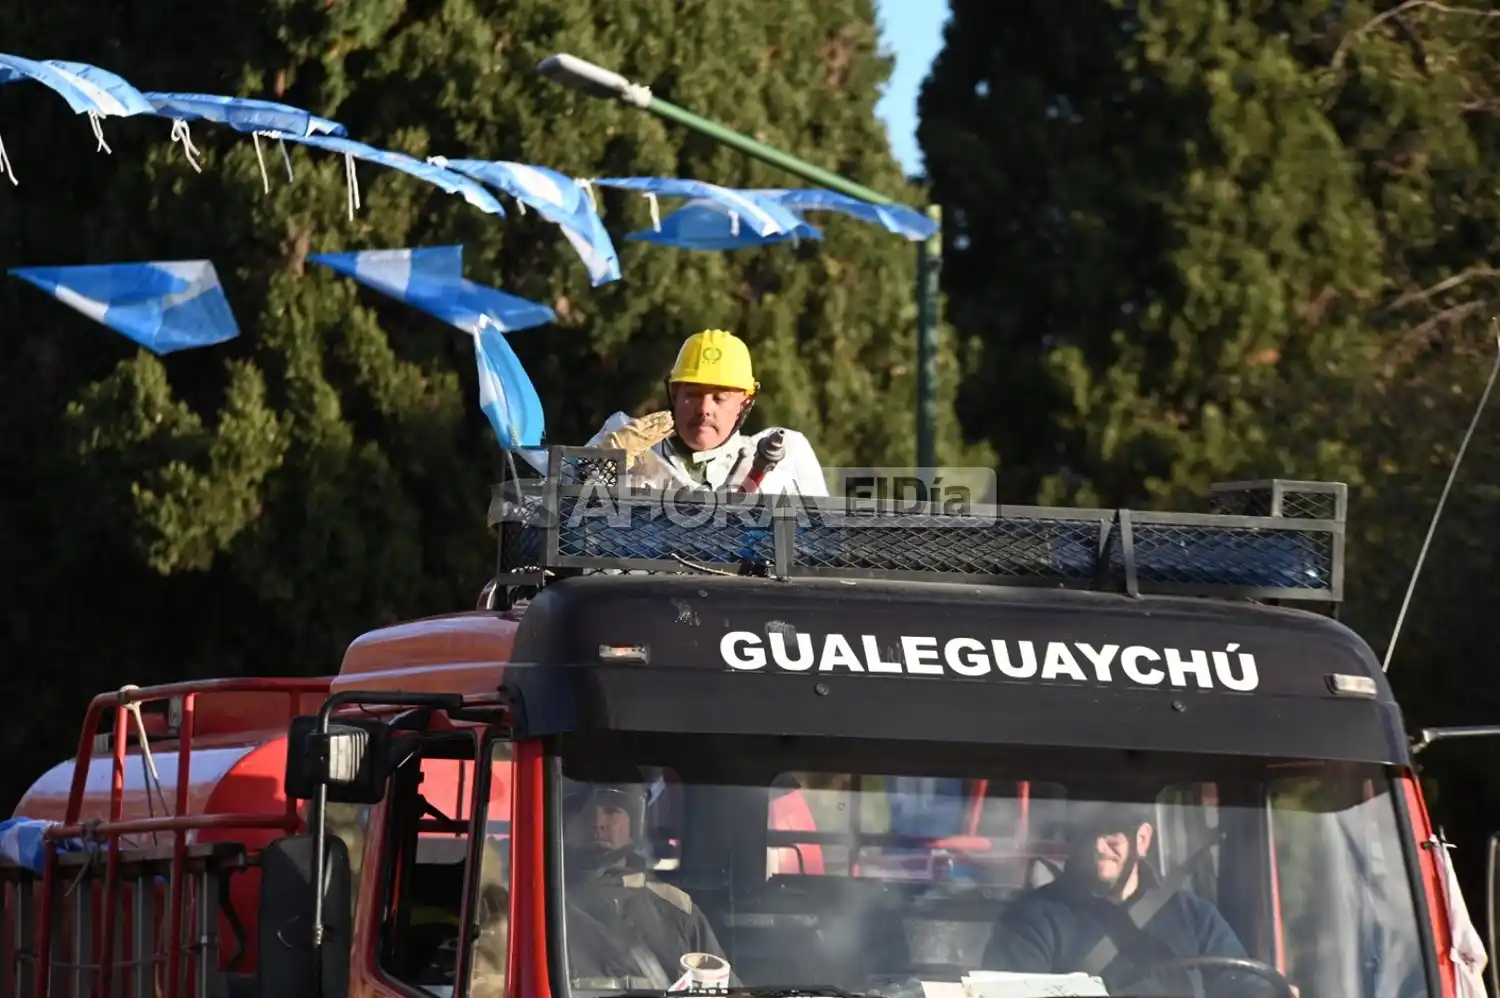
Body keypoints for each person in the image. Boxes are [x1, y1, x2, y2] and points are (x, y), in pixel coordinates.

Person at [983, 801, 1281, 997]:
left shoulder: (1194, 916)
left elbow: (1244, 987)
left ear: (1142, 839)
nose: (1099, 846)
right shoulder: (1032, 919)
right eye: (1086, 835)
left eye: (1112, 834)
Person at [585, 329, 828, 497]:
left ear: (745, 402)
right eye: (692, 395)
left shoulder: (784, 455)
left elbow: (823, 546)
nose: (703, 409)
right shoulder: (623, 438)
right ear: (674, 393)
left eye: (719, 398)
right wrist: (603, 462)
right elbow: (557, 512)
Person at [561, 780, 729, 988]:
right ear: (562, 823)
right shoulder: (539, 906)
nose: (597, 822)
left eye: (612, 810)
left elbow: (720, 988)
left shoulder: (677, 909)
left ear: (635, 823)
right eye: (580, 810)